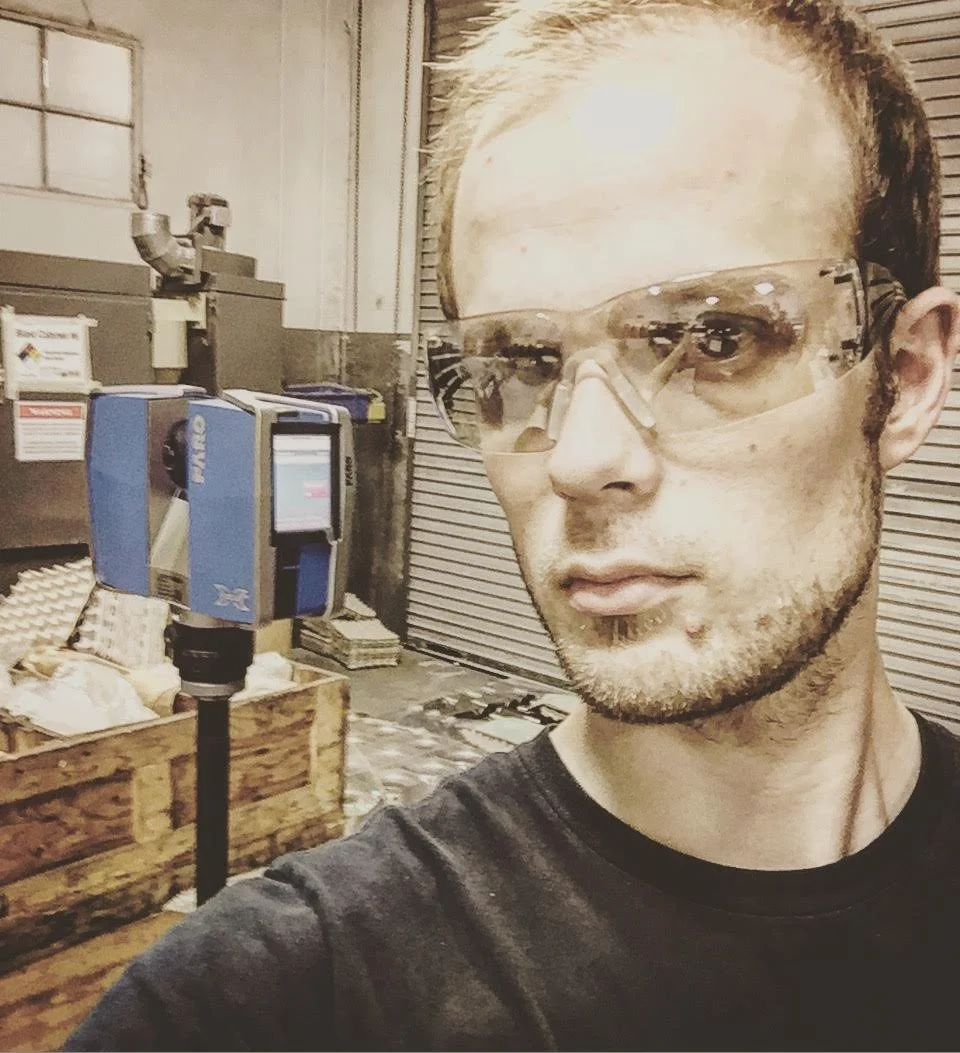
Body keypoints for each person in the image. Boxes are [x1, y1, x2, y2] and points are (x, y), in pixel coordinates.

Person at [68, 0, 960, 1049]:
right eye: (520, 365)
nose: (579, 459)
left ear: (901, 382)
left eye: (717, 339)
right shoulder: (277, 999)